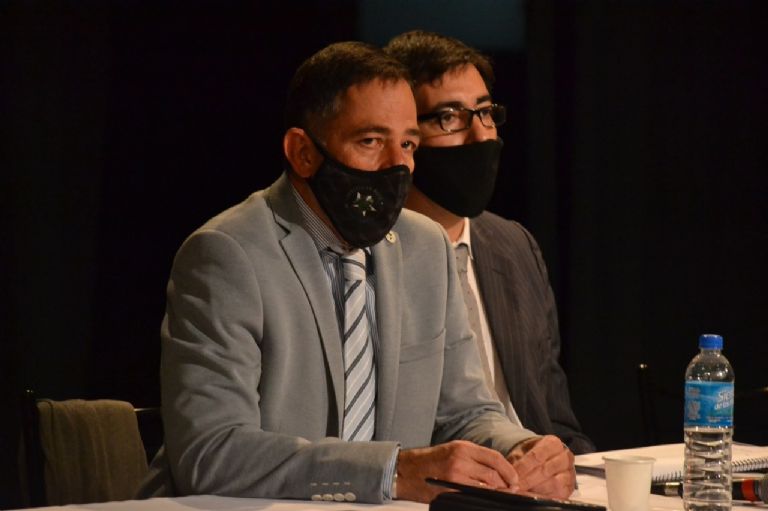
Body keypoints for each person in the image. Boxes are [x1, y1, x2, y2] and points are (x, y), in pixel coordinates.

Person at [138, 41, 575, 504]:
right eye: (370, 142)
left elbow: (465, 413)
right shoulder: (227, 255)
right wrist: (392, 471)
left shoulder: (426, 248)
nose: (397, 166)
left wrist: (521, 448)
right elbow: (212, 452)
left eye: (408, 144)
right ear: (303, 152)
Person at [385, 30, 595, 454]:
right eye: (450, 117)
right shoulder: (368, 259)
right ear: (405, 138)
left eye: (484, 113)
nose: (481, 136)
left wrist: (577, 468)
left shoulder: (513, 246)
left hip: (532, 472)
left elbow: (555, 419)